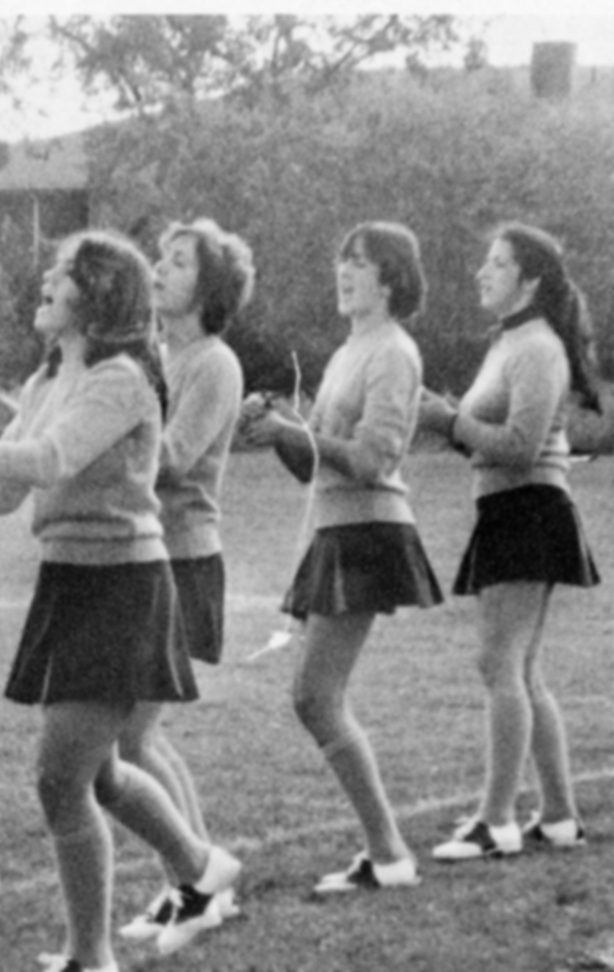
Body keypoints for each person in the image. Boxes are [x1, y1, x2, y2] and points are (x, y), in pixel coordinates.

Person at [0, 229, 241, 972]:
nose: (46, 277)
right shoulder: (46, 383)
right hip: (71, 583)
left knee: (61, 779)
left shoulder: (122, 379)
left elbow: (49, 460)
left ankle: (92, 956)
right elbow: (3, 493)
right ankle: (200, 868)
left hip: (122, 587)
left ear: (98, 295)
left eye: (65, 271)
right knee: (96, 776)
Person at [239, 221, 443, 892]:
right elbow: (318, 467)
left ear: (391, 278)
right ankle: (384, 850)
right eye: (342, 259)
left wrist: (297, 432)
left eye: (360, 262)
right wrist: (276, 432)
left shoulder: (393, 352)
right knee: (314, 697)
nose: (345, 271)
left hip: (368, 533)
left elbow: (373, 460)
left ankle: (388, 853)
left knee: (315, 696)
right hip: (338, 529)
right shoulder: (350, 349)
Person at [419, 222, 601, 861]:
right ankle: (557, 816)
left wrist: (448, 419)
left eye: (496, 264)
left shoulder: (538, 347)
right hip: (510, 509)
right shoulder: (510, 342)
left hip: (530, 509)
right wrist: (452, 422)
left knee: (499, 666)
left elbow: (523, 447)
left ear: (530, 279)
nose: (482, 272)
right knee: (520, 668)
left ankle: (495, 820)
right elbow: (487, 437)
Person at [116, 219, 253, 939]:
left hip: (182, 557)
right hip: (147, 557)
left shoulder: (214, 364)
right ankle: (198, 879)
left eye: (177, 262)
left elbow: (171, 457)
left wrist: (99, 433)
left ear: (210, 286)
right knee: (139, 741)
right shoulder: (157, 356)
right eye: (159, 259)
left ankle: (198, 879)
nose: (159, 270)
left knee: (130, 743)